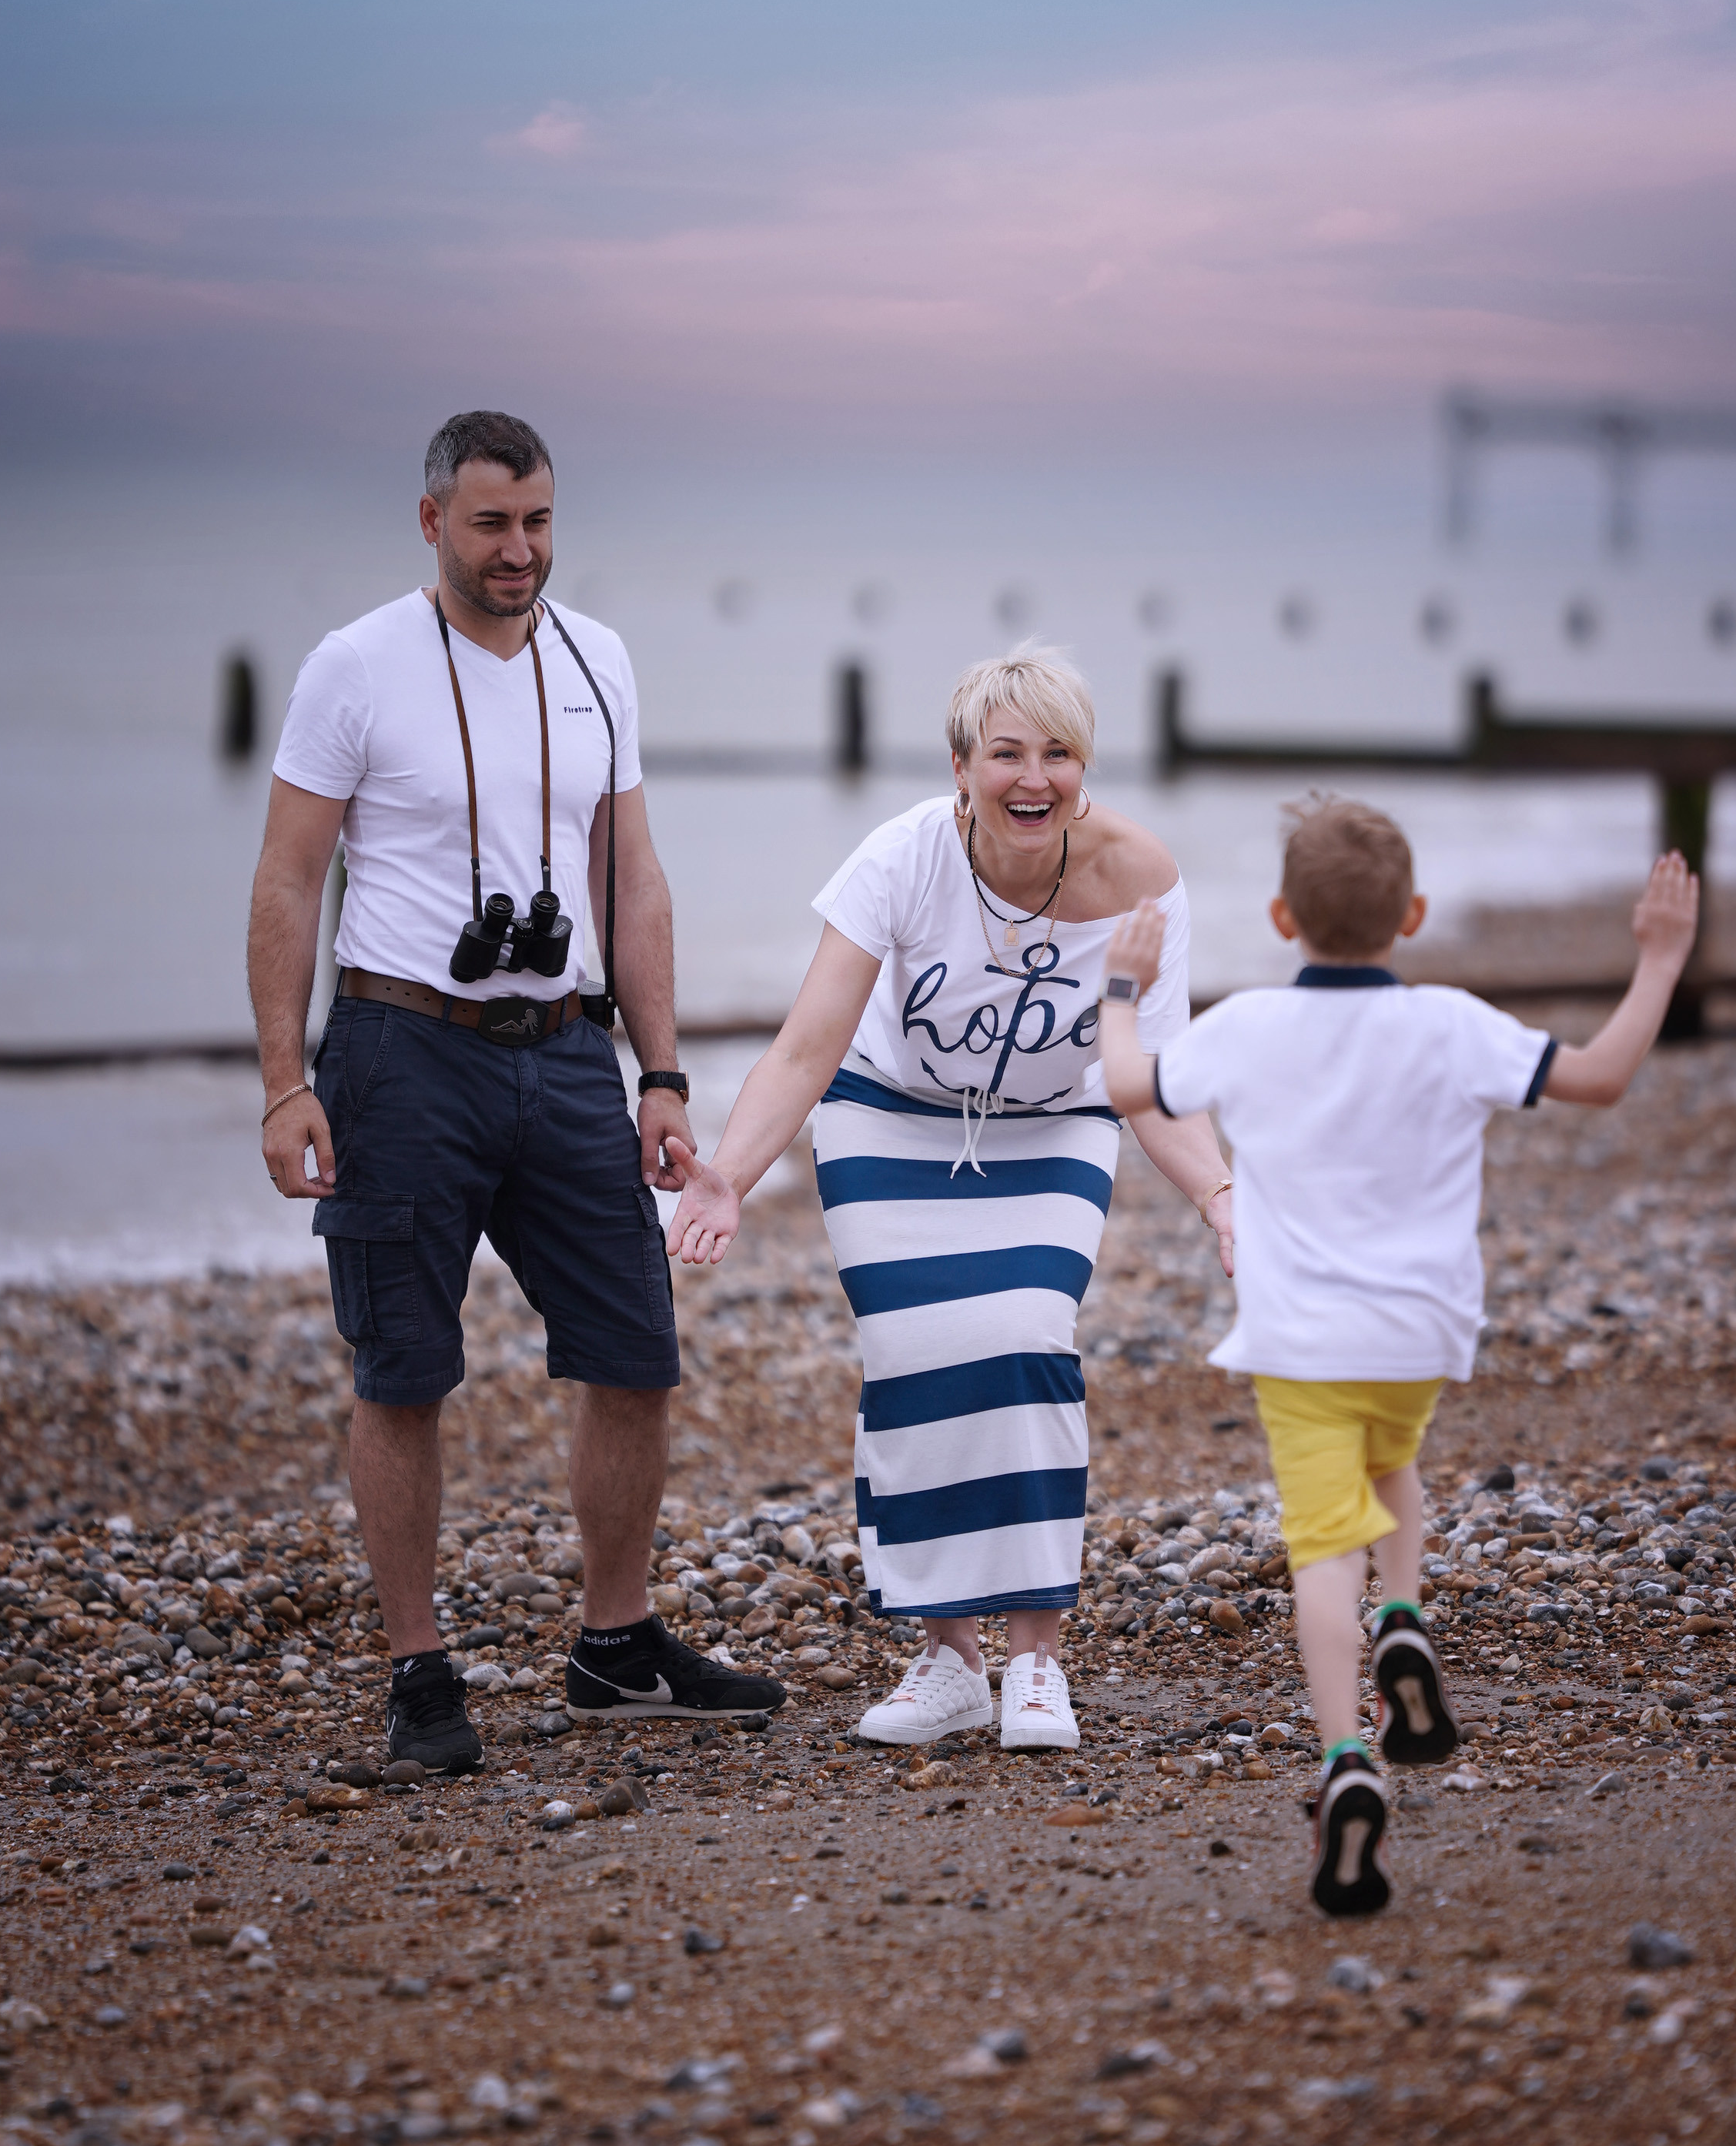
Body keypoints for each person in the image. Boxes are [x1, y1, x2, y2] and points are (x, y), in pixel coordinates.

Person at [248, 409, 785, 1771]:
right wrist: (281, 1083)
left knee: (633, 1344)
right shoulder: (354, 666)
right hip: (398, 1050)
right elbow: (288, 880)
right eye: (491, 522)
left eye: (538, 520)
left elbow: (632, 874)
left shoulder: (595, 658)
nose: (519, 549)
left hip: (562, 1049)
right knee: (406, 1368)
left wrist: (660, 1072)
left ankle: (615, 1644)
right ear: (431, 520)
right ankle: (419, 1673)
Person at [1099, 796, 1699, 1914]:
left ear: (1282, 917)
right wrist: (1659, 959)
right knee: (1393, 1464)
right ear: (1411, 914)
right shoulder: (1452, 1021)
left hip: (1298, 1340)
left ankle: (1345, 1761)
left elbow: (1129, 1085)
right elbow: (1601, 1073)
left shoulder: (1246, 1025)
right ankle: (1405, 1617)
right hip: (1417, 1334)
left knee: (1323, 1544)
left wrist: (1121, 989)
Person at [661, 650, 1234, 1753]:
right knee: (912, 1355)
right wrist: (731, 1168)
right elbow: (809, 1044)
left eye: (1057, 753)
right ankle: (947, 1659)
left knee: (1023, 1335)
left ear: (1085, 765)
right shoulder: (901, 860)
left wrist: (1215, 1190)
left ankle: (1033, 1661)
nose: (1034, 776)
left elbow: (1150, 1073)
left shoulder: (1140, 879)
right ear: (961, 765)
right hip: (889, 1117)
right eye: (1006, 752)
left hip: (1053, 1124)